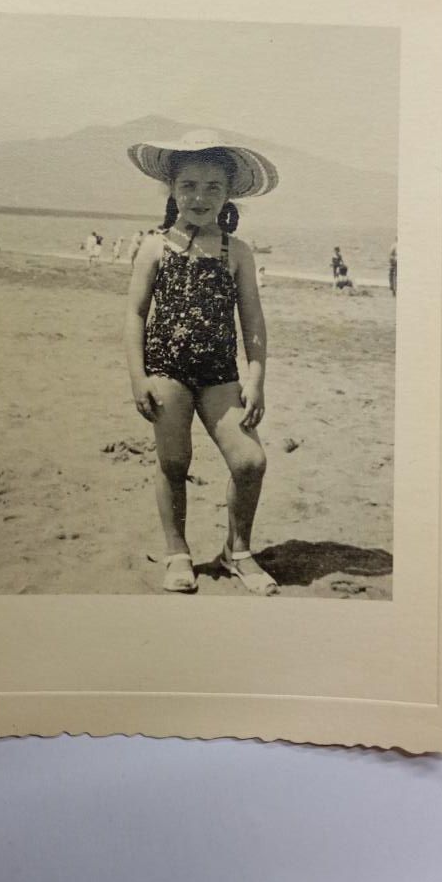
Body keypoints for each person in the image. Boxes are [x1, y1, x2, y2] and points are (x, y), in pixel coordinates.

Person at [125, 128, 280, 595]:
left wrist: (256, 377)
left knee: (250, 461)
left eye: (213, 187)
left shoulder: (239, 252)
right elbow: (134, 314)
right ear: (171, 189)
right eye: (189, 185)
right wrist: (138, 377)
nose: (199, 196)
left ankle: (238, 552)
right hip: (166, 371)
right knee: (174, 460)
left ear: (229, 194)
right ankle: (177, 552)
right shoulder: (154, 246)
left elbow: (252, 319)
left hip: (219, 376)